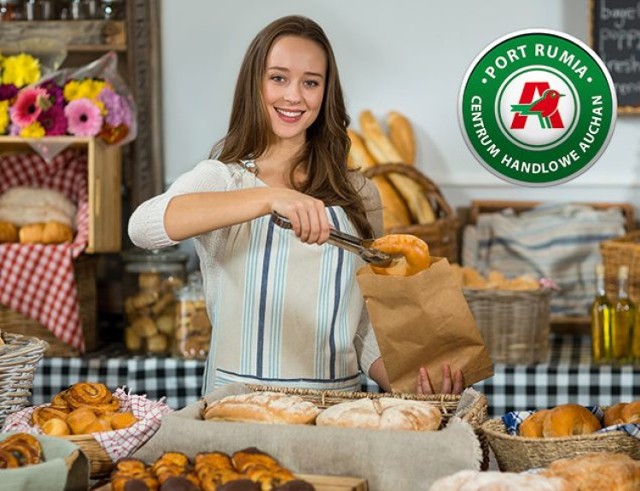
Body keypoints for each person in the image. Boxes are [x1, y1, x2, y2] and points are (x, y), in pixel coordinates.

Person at [128, 15, 464, 396]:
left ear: (326, 93)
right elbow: (143, 226)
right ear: (255, 84)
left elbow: (357, 324)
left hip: (335, 411)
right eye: (278, 78)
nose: (294, 96)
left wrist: (407, 382)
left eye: (310, 82)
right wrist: (270, 197)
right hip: (238, 410)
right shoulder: (223, 179)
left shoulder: (359, 193)